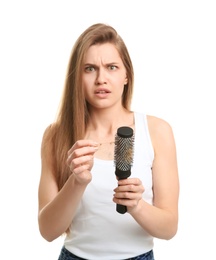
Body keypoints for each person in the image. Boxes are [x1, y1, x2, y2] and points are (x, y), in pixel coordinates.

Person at [38, 23, 179, 260]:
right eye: (90, 68)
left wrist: (136, 206)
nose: (101, 79)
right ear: (77, 77)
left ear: (126, 75)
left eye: (111, 67)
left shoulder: (157, 131)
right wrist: (76, 182)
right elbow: (48, 231)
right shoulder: (56, 136)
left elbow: (169, 228)